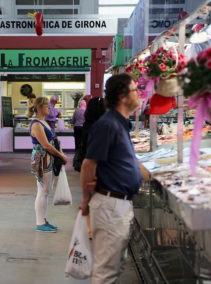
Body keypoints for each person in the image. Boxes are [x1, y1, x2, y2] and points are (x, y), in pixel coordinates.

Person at [79, 73, 151, 283]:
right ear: (123, 96)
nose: (139, 95)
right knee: (106, 271)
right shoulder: (108, 125)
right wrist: (85, 201)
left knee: (114, 266)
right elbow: (88, 164)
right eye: (135, 91)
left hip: (119, 204)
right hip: (111, 204)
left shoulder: (119, 124)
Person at [27, 97, 67, 233]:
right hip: (42, 157)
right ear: (40, 108)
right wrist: (61, 155)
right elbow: (45, 145)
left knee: (45, 191)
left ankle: (43, 220)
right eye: (47, 107)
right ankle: (40, 222)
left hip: (45, 158)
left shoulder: (42, 122)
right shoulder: (37, 124)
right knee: (43, 191)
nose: (49, 109)